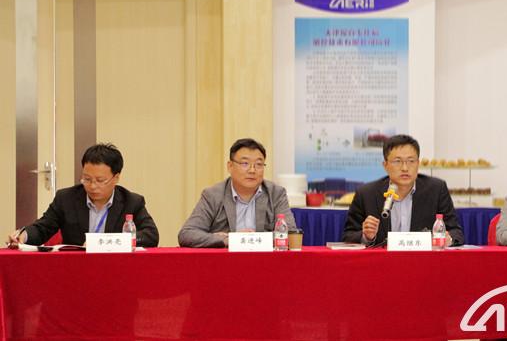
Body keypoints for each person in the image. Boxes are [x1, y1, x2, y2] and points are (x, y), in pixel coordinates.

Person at [7, 143, 159, 248]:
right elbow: (43, 228)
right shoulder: (66, 198)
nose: (92, 186)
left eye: (100, 180)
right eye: (87, 179)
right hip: (75, 268)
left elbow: (151, 235)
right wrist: (23, 236)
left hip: (115, 268)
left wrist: (108, 241)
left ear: (116, 177)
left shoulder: (132, 201)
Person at [343, 134, 464, 246]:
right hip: (382, 261)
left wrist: (448, 239)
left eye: (411, 161)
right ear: (385, 165)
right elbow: (348, 236)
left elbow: (456, 232)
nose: (405, 168)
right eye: (397, 161)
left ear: (418, 163)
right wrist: (366, 236)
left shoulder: (436, 190)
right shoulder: (366, 194)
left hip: (422, 260)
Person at [178, 138, 297, 248]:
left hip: (263, 260)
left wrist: (243, 239)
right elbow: (187, 234)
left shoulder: (276, 194)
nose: (252, 170)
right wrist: (227, 240)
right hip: (225, 261)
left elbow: (291, 234)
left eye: (259, 164)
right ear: (230, 166)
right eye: (245, 163)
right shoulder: (213, 195)